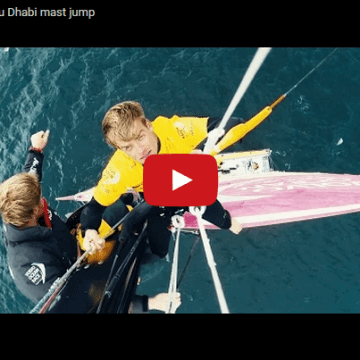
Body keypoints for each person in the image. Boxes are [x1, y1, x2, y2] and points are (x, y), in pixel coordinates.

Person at [0, 130, 180, 313]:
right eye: (39, 201)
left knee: (118, 206)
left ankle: (140, 201)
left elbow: (31, 178)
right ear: (30, 215)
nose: (42, 200)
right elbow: (86, 303)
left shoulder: (21, 202)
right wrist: (150, 303)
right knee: (148, 251)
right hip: (85, 270)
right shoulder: (31, 268)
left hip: (80, 240)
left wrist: (35, 149)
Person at [80, 101, 246, 259]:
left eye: (140, 137)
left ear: (149, 125)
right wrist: (89, 231)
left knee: (221, 218)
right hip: (156, 198)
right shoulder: (119, 169)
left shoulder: (174, 131)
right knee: (159, 250)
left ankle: (228, 222)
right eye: (128, 147)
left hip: (189, 185)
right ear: (120, 149)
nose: (140, 151)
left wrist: (199, 150)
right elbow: (94, 207)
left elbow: (234, 123)